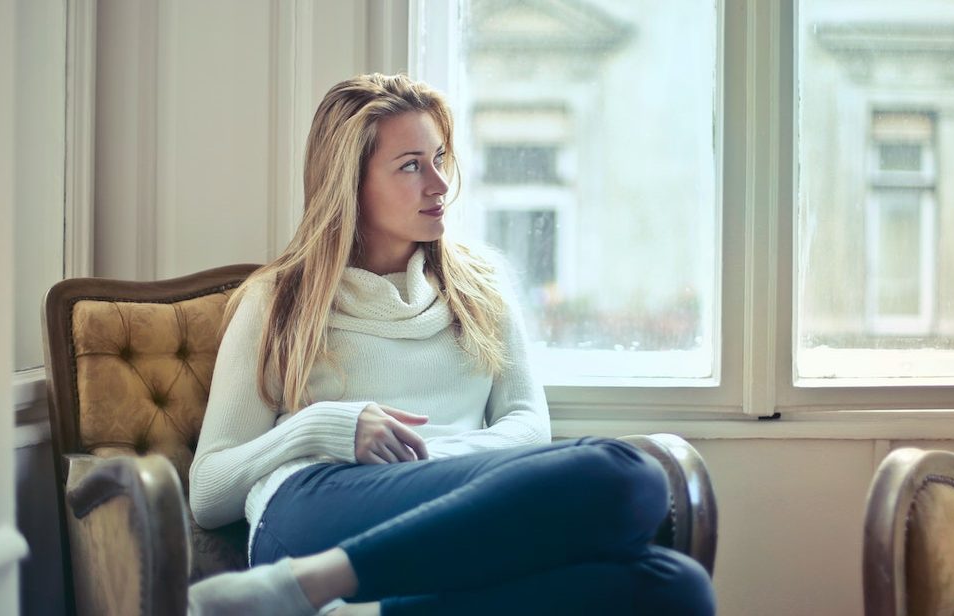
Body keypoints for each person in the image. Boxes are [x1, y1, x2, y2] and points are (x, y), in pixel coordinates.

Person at [188, 73, 714, 615]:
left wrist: (428, 463)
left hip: (454, 500)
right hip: (315, 505)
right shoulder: (278, 300)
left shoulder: (480, 284)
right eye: (411, 166)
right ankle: (306, 582)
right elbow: (208, 492)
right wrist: (328, 425)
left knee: (674, 586)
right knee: (626, 473)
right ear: (350, 184)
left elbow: (529, 427)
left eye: (439, 158)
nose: (439, 184)